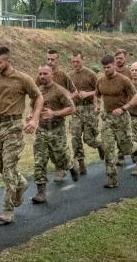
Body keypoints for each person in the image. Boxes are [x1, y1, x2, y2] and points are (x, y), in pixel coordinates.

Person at [0, 46, 42, 224]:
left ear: (8, 61)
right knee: (1, 167)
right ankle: (22, 183)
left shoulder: (22, 79)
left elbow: (38, 97)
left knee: (8, 169)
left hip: (14, 127)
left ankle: (8, 210)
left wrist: (34, 120)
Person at [31, 64, 78, 202]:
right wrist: (31, 116)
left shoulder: (59, 90)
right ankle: (41, 192)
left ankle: (70, 165)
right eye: (40, 74)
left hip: (57, 130)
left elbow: (72, 108)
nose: (42, 76)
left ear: (52, 74)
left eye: (45, 73)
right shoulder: (37, 91)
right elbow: (32, 106)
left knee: (61, 158)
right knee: (39, 160)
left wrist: (55, 113)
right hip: (41, 130)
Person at [95, 55, 137, 187]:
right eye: (104, 68)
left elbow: (136, 98)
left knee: (126, 149)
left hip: (122, 119)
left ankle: (136, 147)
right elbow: (96, 95)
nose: (106, 70)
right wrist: (97, 106)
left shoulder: (124, 80)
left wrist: (123, 108)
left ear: (114, 65)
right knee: (108, 148)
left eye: (108, 67)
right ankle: (112, 179)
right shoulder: (100, 81)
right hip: (107, 119)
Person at [67, 51, 104, 175]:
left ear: (83, 60)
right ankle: (81, 163)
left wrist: (88, 94)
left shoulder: (91, 74)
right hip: (76, 110)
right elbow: (66, 92)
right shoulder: (69, 75)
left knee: (89, 139)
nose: (75, 64)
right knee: (75, 137)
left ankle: (100, 145)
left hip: (89, 109)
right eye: (73, 62)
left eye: (78, 61)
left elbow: (100, 91)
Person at [45, 49, 77, 181]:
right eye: (48, 59)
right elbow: (36, 94)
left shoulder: (63, 76)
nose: (50, 62)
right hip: (45, 118)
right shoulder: (43, 75)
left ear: (58, 60)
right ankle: (60, 169)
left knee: (60, 147)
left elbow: (74, 92)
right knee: (49, 147)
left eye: (53, 59)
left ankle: (65, 166)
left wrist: (66, 99)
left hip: (59, 116)